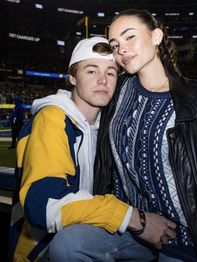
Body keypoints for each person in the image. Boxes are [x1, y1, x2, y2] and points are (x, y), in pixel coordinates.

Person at [49, 9, 197, 262]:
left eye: (129, 37)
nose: (121, 49)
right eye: (115, 45)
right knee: (67, 244)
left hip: (185, 238)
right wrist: (50, 108)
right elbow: (81, 100)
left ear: (156, 36)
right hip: (134, 228)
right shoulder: (118, 92)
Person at [8, 36, 129, 261]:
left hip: (79, 244)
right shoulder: (53, 119)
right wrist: (126, 216)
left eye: (111, 73)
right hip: (38, 252)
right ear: (72, 77)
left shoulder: (104, 126)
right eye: (91, 71)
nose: (103, 80)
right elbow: (43, 203)